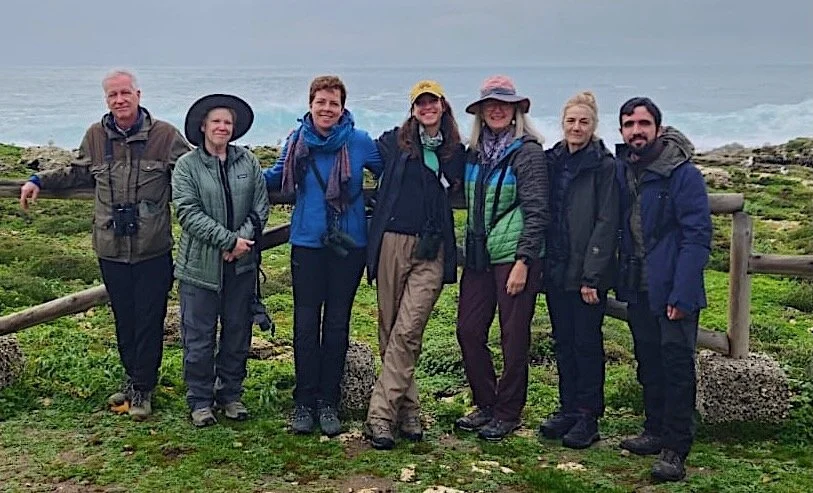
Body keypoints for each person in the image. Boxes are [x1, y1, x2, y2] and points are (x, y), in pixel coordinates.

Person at [18, 69, 190, 420]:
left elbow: (192, 173)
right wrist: (38, 179)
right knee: (124, 318)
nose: (119, 100)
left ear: (139, 94)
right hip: (110, 248)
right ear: (106, 99)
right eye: (113, 95)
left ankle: (143, 388)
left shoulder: (166, 136)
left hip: (153, 248)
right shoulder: (95, 136)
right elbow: (76, 172)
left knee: (149, 318)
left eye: (125, 93)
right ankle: (133, 379)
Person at [263, 75, 383, 437]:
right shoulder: (297, 140)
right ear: (311, 104)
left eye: (333, 103)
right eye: (321, 102)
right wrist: (226, 163)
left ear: (342, 107)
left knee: (336, 324)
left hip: (348, 246)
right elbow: (273, 177)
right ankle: (304, 401)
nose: (327, 109)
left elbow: (390, 175)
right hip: (307, 242)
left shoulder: (360, 142)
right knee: (304, 325)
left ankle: (328, 401)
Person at [363, 80, 465, 449]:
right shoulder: (394, 142)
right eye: (420, 103)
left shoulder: (456, 151)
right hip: (391, 241)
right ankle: (409, 410)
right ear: (413, 109)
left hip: (432, 249)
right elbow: (361, 153)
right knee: (390, 330)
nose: (427, 108)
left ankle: (380, 415)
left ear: (443, 105)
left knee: (408, 330)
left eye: (432, 101)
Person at [615, 97, 712, 482]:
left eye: (643, 123)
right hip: (638, 283)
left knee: (676, 365)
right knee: (648, 361)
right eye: (628, 124)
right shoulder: (625, 169)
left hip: (673, 286)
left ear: (658, 127)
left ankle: (676, 447)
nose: (636, 131)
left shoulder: (681, 173)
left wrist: (683, 293)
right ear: (621, 130)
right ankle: (654, 430)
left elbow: (697, 234)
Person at [455, 75, 550, 441]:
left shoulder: (527, 152)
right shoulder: (473, 154)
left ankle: (508, 411)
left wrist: (525, 261)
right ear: (480, 112)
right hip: (480, 255)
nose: (496, 109)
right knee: (468, 330)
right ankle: (486, 402)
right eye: (489, 104)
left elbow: (538, 210)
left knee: (513, 336)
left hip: (514, 256)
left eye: (503, 104)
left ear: (515, 111)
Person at [172, 94, 269, 427]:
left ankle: (230, 394)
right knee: (197, 337)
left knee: (237, 333)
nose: (222, 127)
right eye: (216, 121)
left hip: (240, 267)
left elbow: (260, 208)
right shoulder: (187, 166)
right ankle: (199, 400)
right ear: (203, 126)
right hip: (199, 268)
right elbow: (187, 212)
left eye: (227, 122)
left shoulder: (249, 162)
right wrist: (228, 241)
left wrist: (240, 243)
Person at [538, 91, 618, 449]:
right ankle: (568, 408)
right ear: (562, 123)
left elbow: (606, 221)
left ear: (594, 125)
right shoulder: (552, 160)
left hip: (587, 272)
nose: (576, 127)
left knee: (587, 343)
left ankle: (589, 416)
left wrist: (593, 276)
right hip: (557, 267)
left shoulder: (604, 165)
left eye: (583, 121)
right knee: (563, 341)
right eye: (571, 120)